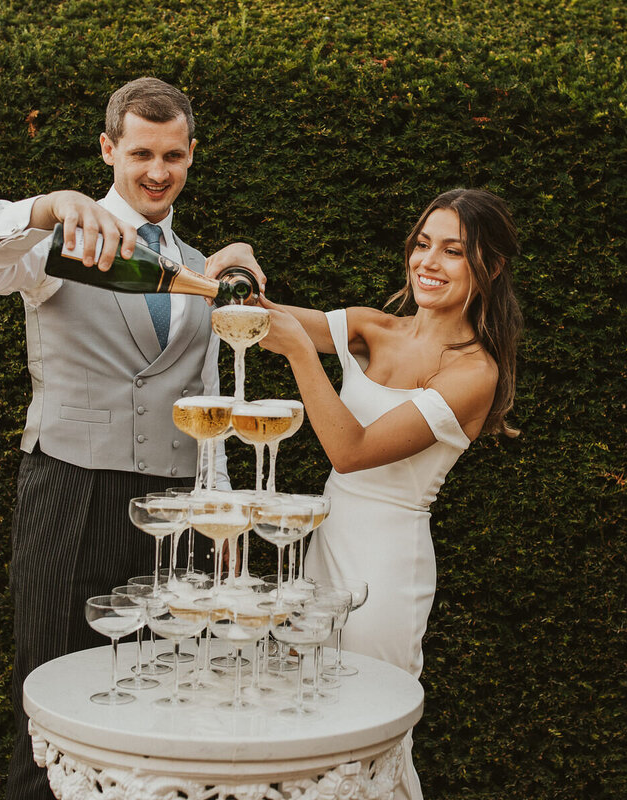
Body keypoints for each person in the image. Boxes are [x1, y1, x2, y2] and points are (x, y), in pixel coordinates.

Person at [0, 77, 262, 800]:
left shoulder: (203, 267)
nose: (157, 171)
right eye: (141, 152)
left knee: (158, 714)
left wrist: (223, 513)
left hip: (176, 512)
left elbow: (206, 404)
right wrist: (43, 207)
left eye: (173, 155)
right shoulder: (56, 240)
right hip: (71, 493)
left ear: (191, 155)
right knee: (52, 717)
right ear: (109, 149)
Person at [252, 188, 523, 800]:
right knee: (303, 727)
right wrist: (233, 269)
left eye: (454, 251)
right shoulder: (374, 327)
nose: (429, 261)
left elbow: (351, 452)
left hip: (385, 567)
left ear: (491, 267)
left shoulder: (473, 372)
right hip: (322, 548)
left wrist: (300, 353)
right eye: (423, 244)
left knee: (363, 740)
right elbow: (265, 317)